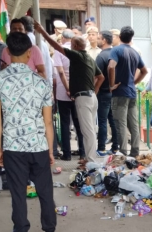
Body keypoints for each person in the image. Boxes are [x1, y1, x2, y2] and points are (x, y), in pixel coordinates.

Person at [0, 32, 58, 232]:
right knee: (45, 191)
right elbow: (48, 121)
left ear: (7, 52)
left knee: (18, 193)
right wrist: (49, 148)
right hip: (38, 145)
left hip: (13, 147)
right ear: (30, 53)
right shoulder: (42, 83)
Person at [37, 23, 104, 163]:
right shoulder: (89, 58)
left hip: (84, 98)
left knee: (88, 131)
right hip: (91, 97)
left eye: (72, 44)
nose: (70, 46)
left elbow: (56, 47)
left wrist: (42, 31)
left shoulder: (77, 55)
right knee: (88, 130)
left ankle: (91, 161)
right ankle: (88, 158)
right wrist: (94, 91)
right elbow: (101, 77)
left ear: (76, 46)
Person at [108, 26, 148, 158]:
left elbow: (111, 66)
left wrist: (112, 84)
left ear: (120, 37)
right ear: (131, 38)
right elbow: (144, 71)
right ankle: (135, 151)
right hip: (131, 92)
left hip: (120, 92)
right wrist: (134, 83)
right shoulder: (135, 53)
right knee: (133, 123)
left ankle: (123, 152)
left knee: (121, 123)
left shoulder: (116, 50)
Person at [52, 29, 85, 160]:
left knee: (65, 124)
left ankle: (67, 154)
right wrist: (73, 89)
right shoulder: (77, 51)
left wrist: (67, 88)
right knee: (79, 123)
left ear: (62, 38)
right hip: (78, 91)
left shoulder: (58, 51)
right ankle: (82, 152)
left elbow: (60, 72)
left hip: (62, 92)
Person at [95, 31, 119, 155]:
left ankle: (101, 148)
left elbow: (97, 76)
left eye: (99, 38)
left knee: (103, 120)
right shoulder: (116, 53)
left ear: (104, 40)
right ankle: (115, 147)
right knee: (113, 120)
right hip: (115, 92)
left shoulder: (101, 57)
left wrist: (94, 90)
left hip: (103, 92)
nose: (97, 40)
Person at [21, 16, 53, 84]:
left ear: (23, 27)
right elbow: (48, 68)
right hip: (44, 84)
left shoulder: (23, 44)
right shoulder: (43, 44)